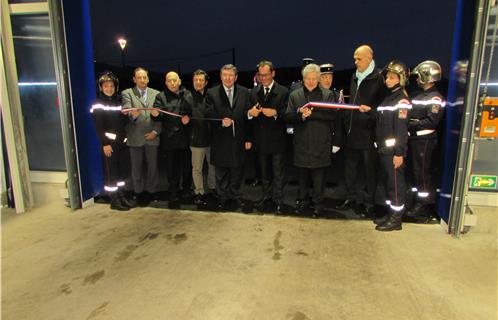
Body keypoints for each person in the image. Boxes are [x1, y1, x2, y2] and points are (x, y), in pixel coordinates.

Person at [285, 63, 342, 216]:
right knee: (302, 176)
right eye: (308, 78)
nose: (311, 81)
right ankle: (303, 201)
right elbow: (288, 116)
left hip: (321, 143)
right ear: (303, 79)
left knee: (319, 178)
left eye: (314, 78)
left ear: (318, 79)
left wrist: (312, 113)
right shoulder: (295, 95)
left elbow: (332, 116)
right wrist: (301, 115)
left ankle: (318, 204)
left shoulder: (327, 95)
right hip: (301, 143)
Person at [335, 45, 385, 216]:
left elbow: (384, 107)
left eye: (359, 59)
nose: (356, 62)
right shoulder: (354, 77)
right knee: (350, 168)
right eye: (355, 59)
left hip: (369, 133)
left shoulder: (379, 79)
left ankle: (369, 202)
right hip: (352, 131)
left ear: (370, 58)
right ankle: (350, 197)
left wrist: (371, 112)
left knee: (369, 170)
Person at [205, 64, 252, 210]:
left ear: (236, 77)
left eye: (231, 75)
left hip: (239, 138)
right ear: (220, 76)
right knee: (221, 172)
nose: (228, 78)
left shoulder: (245, 92)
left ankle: (236, 196)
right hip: (220, 139)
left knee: (237, 170)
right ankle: (223, 198)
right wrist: (221, 122)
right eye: (225, 75)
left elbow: (247, 114)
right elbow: (208, 113)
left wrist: (249, 137)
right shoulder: (212, 93)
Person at [373, 60, 411, 231]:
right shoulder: (389, 97)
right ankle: (390, 214)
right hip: (384, 149)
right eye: (387, 77)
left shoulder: (401, 101)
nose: (387, 80)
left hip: (393, 152)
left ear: (401, 79)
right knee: (388, 183)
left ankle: (396, 220)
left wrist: (399, 153)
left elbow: (401, 130)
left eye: (392, 77)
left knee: (395, 185)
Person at [405, 60, 445, 220]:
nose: (416, 79)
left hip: (425, 140)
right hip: (413, 139)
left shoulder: (436, 98)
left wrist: (414, 124)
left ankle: (424, 205)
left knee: (421, 173)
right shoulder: (417, 95)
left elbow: (432, 121)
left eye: (419, 76)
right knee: (413, 172)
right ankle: (415, 201)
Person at [248, 60, 289, 213]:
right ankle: (266, 196)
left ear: (273, 73)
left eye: (266, 75)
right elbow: (247, 114)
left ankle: (279, 200)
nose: (263, 78)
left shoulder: (284, 91)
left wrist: (276, 113)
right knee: (264, 172)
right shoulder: (253, 92)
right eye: (260, 75)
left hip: (277, 140)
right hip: (260, 139)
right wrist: (250, 114)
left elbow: (289, 114)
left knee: (278, 172)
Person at [91, 72, 133, 211]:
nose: (109, 88)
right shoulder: (98, 104)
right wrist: (105, 144)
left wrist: (126, 115)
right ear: (101, 88)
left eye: (111, 86)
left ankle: (121, 196)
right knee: (112, 174)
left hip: (122, 144)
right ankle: (114, 200)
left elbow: (123, 123)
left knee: (121, 173)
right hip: (110, 145)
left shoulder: (118, 102)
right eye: (106, 86)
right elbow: (99, 127)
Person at [152, 71, 193, 208]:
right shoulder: (160, 96)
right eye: (169, 81)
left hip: (186, 138)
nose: (172, 83)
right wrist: (155, 114)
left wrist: (189, 119)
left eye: (174, 80)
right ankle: (173, 193)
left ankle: (187, 191)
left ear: (179, 81)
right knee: (171, 169)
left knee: (187, 168)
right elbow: (157, 116)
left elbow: (192, 113)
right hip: (169, 139)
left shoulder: (187, 94)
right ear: (166, 83)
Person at [121, 67, 161, 206]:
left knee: (153, 167)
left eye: (144, 77)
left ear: (148, 79)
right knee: (136, 168)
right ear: (134, 79)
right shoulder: (127, 93)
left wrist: (155, 132)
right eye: (139, 77)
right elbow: (126, 112)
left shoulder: (156, 94)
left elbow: (159, 116)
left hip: (152, 136)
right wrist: (133, 115)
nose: (142, 80)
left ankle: (151, 191)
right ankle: (138, 192)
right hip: (135, 136)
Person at [189, 69, 216, 205]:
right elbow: (183, 114)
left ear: (205, 82)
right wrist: (184, 119)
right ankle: (199, 192)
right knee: (197, 169)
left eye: (201, 80)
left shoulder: (212, 96)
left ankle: (213, 189)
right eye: (195, 80)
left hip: (212, 139)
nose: (198, 82)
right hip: (196, 140)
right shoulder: (188, 97)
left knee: (213, 166)